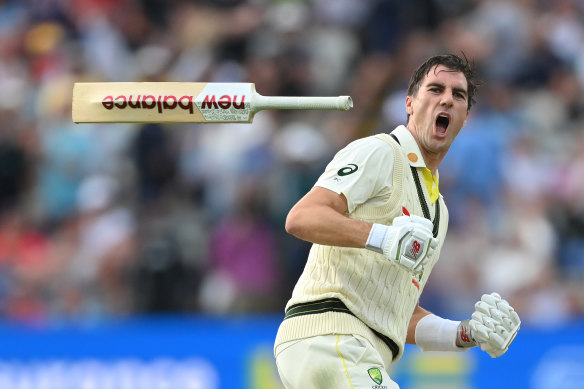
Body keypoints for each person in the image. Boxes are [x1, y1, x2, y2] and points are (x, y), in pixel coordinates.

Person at [273, 54, 521, 389]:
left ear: (464, 118)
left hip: (362, 352)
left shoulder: (438, 212)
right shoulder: (380, 152)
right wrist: (383, 237)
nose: (447, 98)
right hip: (329, 336)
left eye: (458, 95)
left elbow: (398, 314)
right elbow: (301, 217)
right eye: (435, 89)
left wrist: (465, 333)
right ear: (410, 104)